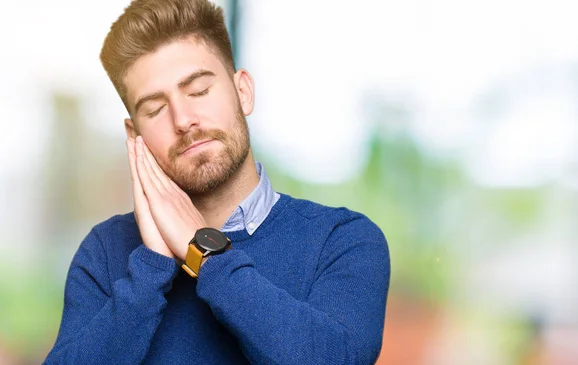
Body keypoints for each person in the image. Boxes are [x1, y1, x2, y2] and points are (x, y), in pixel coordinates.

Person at [44, 0, 390, 364]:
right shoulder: (105, 251)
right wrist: (150, 269)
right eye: (156, 109)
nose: (183, 119)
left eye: (198, 91)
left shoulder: (342, 240)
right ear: (135, 136)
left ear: (243, 92)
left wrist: (205, 254)